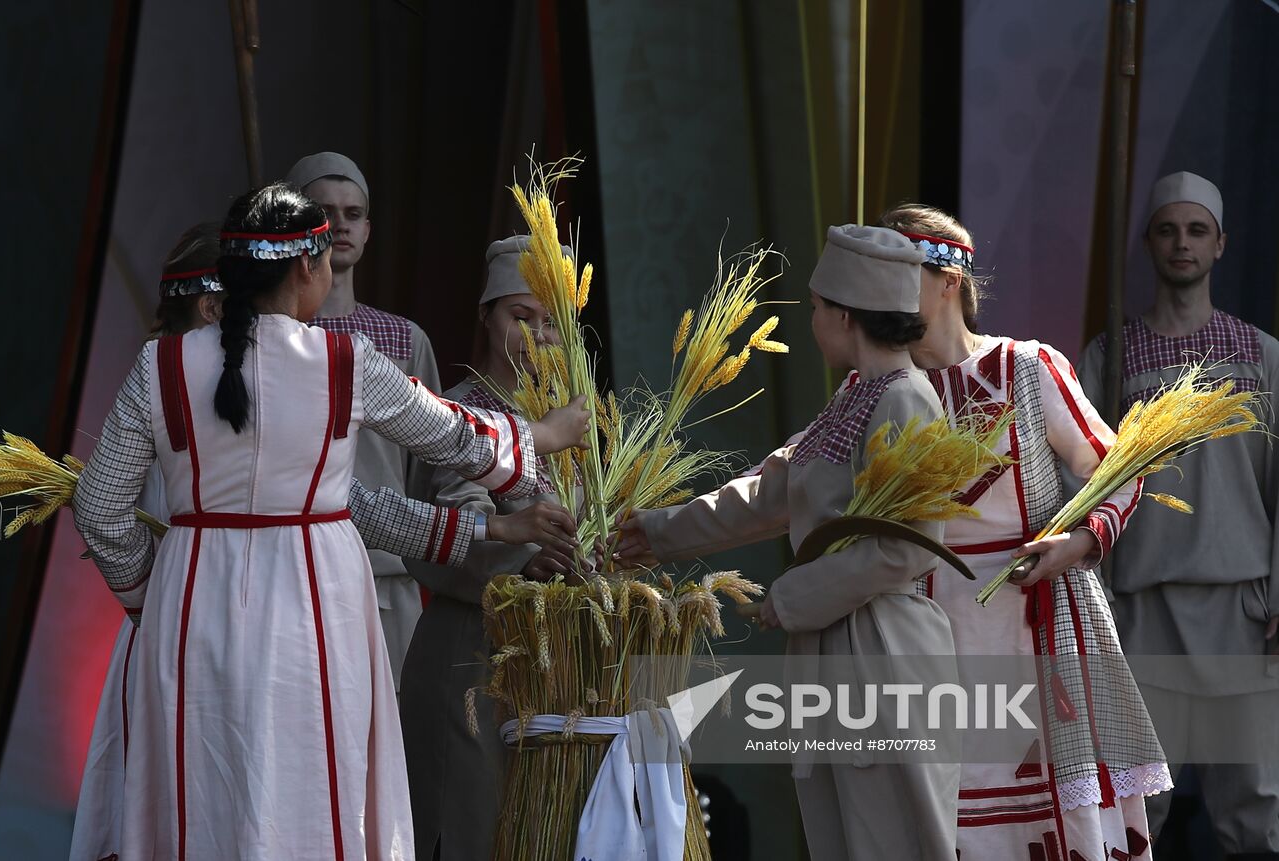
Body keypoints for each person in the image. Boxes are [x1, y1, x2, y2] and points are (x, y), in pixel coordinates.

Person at [72, 184, 588, 860]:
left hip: (192, 607)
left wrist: (151, 596)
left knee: (201, 802)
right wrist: (543, 435)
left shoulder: (159, 366)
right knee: (316, 797)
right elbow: (452, 435)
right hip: (317, 609)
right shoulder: (345, 364)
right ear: (308, 268)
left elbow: (98, 506)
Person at [618, 225, 961, 860]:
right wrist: (656, 531)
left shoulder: (907, 400)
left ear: (847, 313)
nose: (811, 321)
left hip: (882, 649)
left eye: (814, 307)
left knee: (889, 838)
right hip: (840, 644)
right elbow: (770, 495)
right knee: (842, 836)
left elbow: (908, 546)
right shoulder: (857, 397)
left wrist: (796, 593)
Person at [880, 204, 1169, 860]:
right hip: (929, 639)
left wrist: (1079, 541)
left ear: (947, 280)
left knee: (1053, 826)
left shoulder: (1027, 367)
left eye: (895, 273)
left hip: (1038, 634)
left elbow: (1117, 465)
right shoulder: (880, 387)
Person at [1078, 172, 1279, 858]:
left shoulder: (1262, 356)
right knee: (1136, 810)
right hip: (1144, 609)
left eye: (1196, 230)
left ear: (1220, 244)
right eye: (1168, 229)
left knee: (1255, 812)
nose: (1182, 243)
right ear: (1148, 243)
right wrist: (1094, 595)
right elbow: (1087, 488)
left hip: (1242, 612)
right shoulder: (1110, 359)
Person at [400, 235, 583, 859]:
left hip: (554, 662)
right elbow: (451, 520)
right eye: (520, 317)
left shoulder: (577, 418)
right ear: (486, 317)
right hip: (474, 661)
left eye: (552, 322)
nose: (537, 336)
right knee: (471, 826)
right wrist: (521, 556)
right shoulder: (459, 413)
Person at [285, 151, 441, 691]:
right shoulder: (269, 340)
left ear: (368, 229)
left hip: (387, 578)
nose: (340, 224)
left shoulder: (403, 339)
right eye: (324, 211)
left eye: (352, 213)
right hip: (293, 573)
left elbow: (431, 469)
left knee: (391, 750)